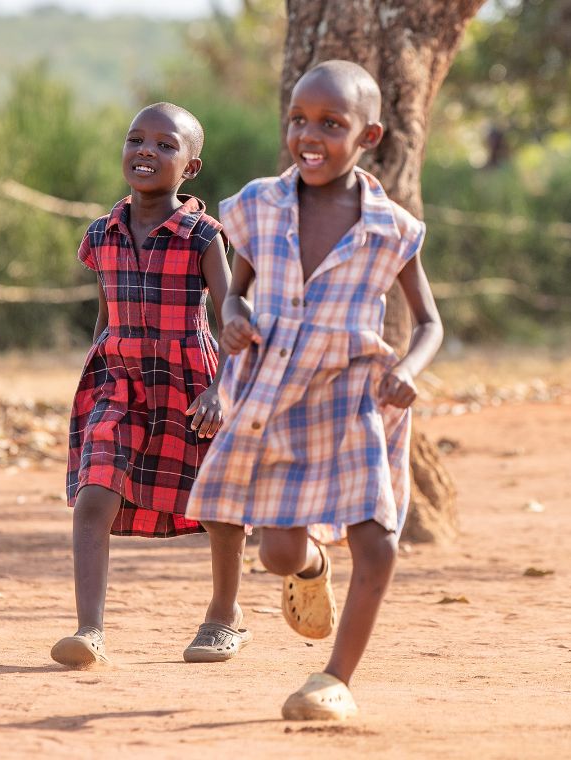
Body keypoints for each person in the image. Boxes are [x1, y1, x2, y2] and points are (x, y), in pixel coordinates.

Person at [185, 61, 444, 719]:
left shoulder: (392, 228)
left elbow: (429, 323)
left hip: (355, 392)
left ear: (368, 136)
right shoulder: (258, 206)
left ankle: (334, 680)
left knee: (377, 537)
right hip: (273, 395)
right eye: (299, 120)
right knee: (275, 551)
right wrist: (235, 320)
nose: (310, 135)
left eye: (331, 124)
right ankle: (307, 570)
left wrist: (407, 371)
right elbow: (234, 295)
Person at [52, 103, 251, 669]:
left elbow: (232, 316)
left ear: (191, 167)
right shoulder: (101, 234)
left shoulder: (201, 235)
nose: (146, 150)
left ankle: (224, 614)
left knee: (217, 505)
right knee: (94, 494)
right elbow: (104, 316)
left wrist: (223, 390)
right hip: (119, 382)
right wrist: (95, 375)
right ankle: (89, 631)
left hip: (192, 388)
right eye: (136, 139)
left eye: (166, 145)